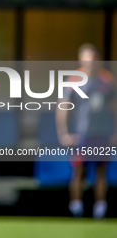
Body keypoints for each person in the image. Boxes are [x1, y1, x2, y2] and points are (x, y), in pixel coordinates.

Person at [56, 43, 117, 219]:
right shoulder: (73, 80)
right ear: (81, 59)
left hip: (102, 133)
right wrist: (64, 133)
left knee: (100, 171)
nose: (91, 62)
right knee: (78, 171)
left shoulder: (107, 79)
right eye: (87, 58)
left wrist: (115, 133)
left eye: (94, 58)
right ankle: (76, 208)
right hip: (81, 134)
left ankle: (100, 209)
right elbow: (63, 108)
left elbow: (114, 108)